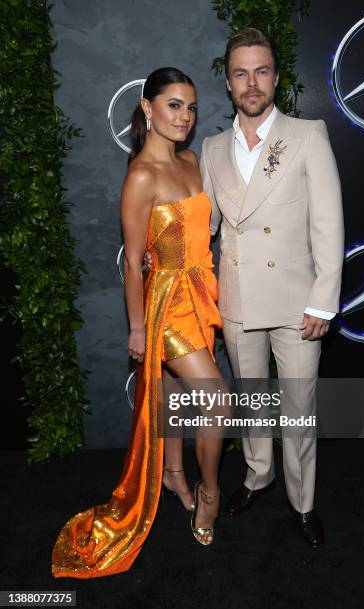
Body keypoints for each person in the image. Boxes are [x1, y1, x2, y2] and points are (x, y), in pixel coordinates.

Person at [51, 67, 225, 579]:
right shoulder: (141, 177)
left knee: (172, 396)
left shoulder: (192, 161)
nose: (185, 117)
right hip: (166, 303)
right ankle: (209, 495)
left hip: (201, 294)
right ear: (147, 108)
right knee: (216, 399)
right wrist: (135, 328)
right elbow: (133, 262)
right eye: (174, 105)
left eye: (190, 107)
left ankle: (173, 474)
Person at [200, 28, 344, 547]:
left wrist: (324, 300)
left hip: (295, 303)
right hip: (237, 302)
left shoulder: (308, 135)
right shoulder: (212, 148)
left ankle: (303, 502)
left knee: (297, 410)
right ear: (228, 81)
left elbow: (328, 225)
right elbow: (205, 225)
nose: (252, 82)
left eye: (261, 71)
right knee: (253, 402)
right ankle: (258, 476)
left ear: (277, 78)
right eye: (241, 72)